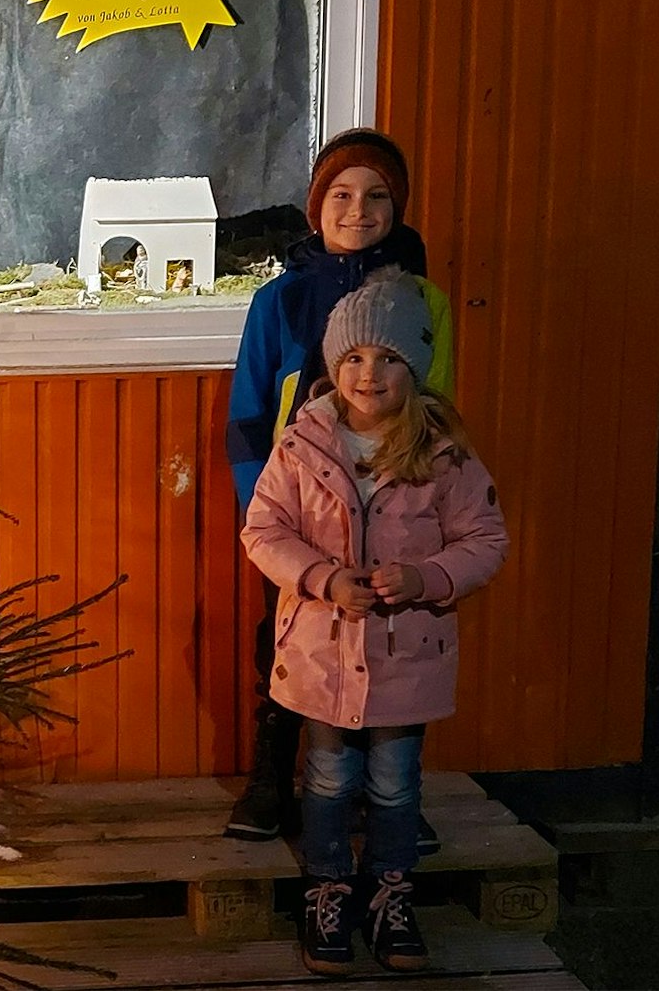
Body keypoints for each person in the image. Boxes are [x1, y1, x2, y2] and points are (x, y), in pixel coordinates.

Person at [240, 273, 507, 975]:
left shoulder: (444, 452)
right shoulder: (301, 444)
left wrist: (424, 579)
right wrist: (323, 577)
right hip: (320, 655)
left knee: (394, 782)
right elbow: (264, 529)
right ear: (333, 363)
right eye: (354, 357)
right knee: (326, 779)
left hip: (406, 656)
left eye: (388, 358)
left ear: (414, 368)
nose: (369, 373)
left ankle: (391, 895)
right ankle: (327, 891)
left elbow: (485, 541)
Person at [222, 128, 456, 844]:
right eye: (342, 195)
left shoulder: (426, 300)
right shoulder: (280, 301)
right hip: (301, 514)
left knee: (392, 640)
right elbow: (249, 417)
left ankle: (390, 795)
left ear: (399, 206)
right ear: (317, 206)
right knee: (293, 639)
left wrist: (420, 503)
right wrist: (262, 512)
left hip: (397, 512)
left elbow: (438, 409)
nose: (359, 210)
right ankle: (273, 777)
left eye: (377, 196)